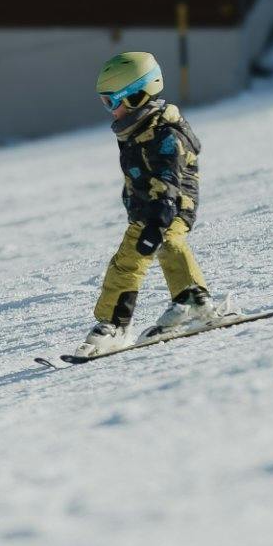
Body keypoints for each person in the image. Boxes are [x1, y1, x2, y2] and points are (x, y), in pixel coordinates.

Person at [73, 51, 234, 359]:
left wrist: (160, 214)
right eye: (104, 102)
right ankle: (117, 324)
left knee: (170, 243)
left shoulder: (164, 133)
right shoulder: (136, 128)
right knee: (126, 262)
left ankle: (193, 303)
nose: (110, 111)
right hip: (146, 210)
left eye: (112, 102)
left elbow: (168, 176)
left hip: (169, 207)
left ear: (135, 97)